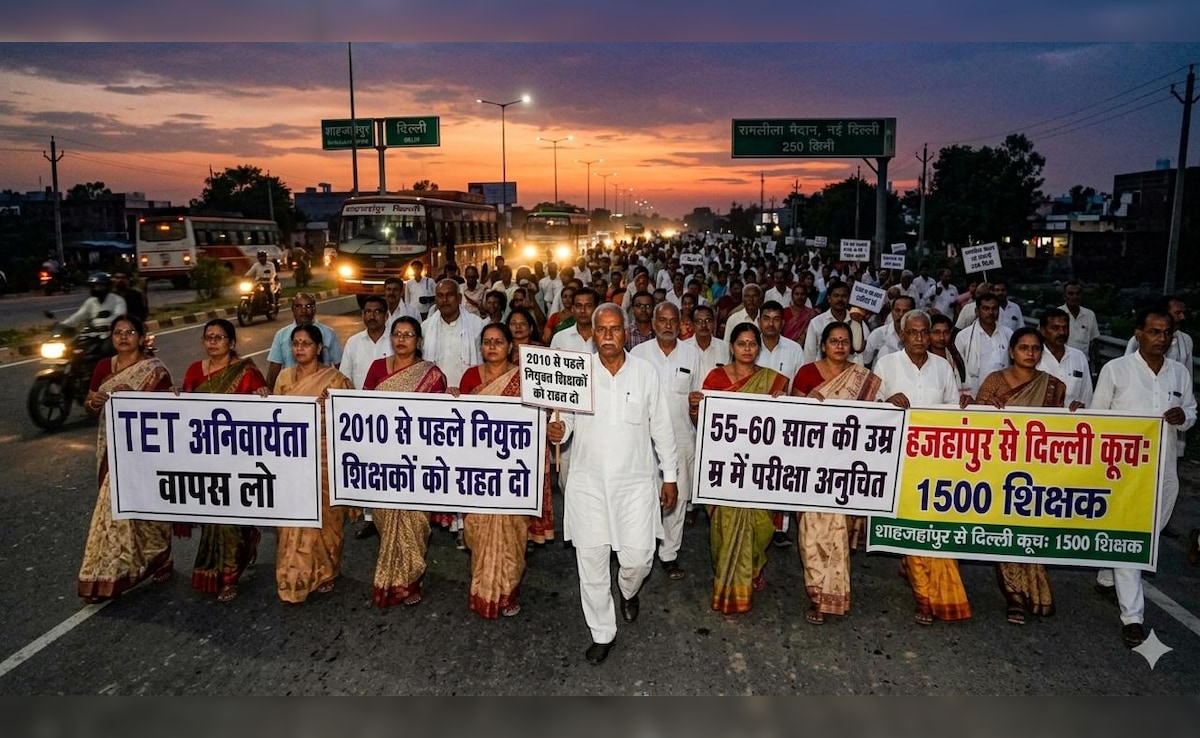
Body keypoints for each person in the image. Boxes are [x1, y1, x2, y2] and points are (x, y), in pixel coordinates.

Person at [546, 303, 678, 665]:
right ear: (593, 331)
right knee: (591, 563)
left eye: (614, 329)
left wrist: (670, 476)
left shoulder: (646, 373)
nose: (607, 336)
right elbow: (567, 421)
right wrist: (558, 430)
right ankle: (602, 632)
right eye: (601, 329)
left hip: (635, 485)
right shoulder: (578, 372)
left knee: (638, 558)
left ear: (626, 331)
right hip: (587, 484)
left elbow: (662, 428)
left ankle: (628, 590)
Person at [1092, 307, 1196, 647]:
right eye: (1154, 332)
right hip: (1124, 472)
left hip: (1164, 467)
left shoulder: (1179, 373)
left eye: (1166, 333)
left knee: (1156, 525)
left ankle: (1108, 576)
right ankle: (1132, 617)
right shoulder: (1116, 370)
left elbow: (1191, 411)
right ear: (1138, 334)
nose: (1161, 339)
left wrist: (1183, 417)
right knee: (1132, 536)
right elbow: (1097, 419)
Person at [874, 310, 972, 626]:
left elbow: (952, 413)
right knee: (910, 523)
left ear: (931, 335)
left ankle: (928, 586)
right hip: (899, 458)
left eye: (924, 333)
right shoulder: (887, 365)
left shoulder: (944, 368)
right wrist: (888, 401)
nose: (919, 338)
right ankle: (924, 596)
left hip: (934, 459)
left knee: (932, 523)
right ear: (902, 335)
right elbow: (870, 407)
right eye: (912, 332)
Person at [77, 314, 174, 603]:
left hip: (143, 451)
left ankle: (156, 555)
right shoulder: (103, 367)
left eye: (130, 332)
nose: (123, 337)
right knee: (116, 510)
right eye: (118, 332)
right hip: (111, 447)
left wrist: (135, 397)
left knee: (143, 507)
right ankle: (110, 573)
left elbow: (168, 410)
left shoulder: (155, 370)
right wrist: (92, 402)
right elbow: (90, 403)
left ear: (141, 338)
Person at [789, 322, 882, 625]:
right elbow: (792, 419)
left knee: (838, 533)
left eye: (844, 341)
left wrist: (891, 404)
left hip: (847, 467)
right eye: (833, 341)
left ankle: (834, 595)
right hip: (812, 465)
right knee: (812, 534)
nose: (840, 346)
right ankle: (817, 594)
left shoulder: (863, 377)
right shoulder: (806, 374)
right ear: (823, 344)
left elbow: (874, 419)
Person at [973, 327, 1065, 625]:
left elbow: (1060, 430)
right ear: (1011, 351)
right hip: (999, 468)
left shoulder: (1053, 386)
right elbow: (976, 419)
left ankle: (1034, 591)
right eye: (1023, 347)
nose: (1030, 352)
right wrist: (984, 407)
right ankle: (1014, 597)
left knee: (1030, 529)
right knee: (1007, 529)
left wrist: (1075, 413)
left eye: (1036, 348)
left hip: (1037, 470)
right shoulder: (995, 381)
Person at [458, 323, 547, 618]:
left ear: (511, 346)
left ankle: (507, 592)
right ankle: (482, 590)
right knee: (477, 531)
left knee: (512, 533)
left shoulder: (525, 379)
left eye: (498, 341)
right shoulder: (471, 377)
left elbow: (536, 419)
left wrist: (553, 426)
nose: (492, 347)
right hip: (479, 471)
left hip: (512, 474)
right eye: (486, 342)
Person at [701, 322, 789, 614]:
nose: (747, 349)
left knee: (761, 526)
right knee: (723, 527)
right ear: (732, 347)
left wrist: (782, 405)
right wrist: (695, 407)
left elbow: (786, 425)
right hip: (725, 466)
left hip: (760, 467)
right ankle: (726, 574)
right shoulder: (715, 378)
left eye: (752, 344)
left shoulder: (772, 382)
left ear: (759, 348)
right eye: (742, 344)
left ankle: (754, 566)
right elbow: (705, 420)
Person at [181, 319, 269, 602]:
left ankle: (230, 578)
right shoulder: (195, 370)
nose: (213, 342)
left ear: (232, 343)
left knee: (231, 519)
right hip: (205, 456)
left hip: (238, 458)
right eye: (209, 337)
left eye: (219, 337)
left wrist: (263, 397)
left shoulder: (246, 372)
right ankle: (217, 567)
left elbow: (262, 415)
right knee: (212, 519)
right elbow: (183, 409)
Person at [363, 316, 449, 607]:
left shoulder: (432, 375)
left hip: (417, 461)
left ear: (419, 341)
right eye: (397, 334)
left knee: (414, 520)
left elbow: (437, 422)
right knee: (385, 518)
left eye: (408, 334)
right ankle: (388, 577)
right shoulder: (377, 368)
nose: (401, 339)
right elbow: (362, 408)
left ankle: (410, 580)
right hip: (382, 459)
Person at [268, 324, 354, 603]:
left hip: (325, 459)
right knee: (292, 521)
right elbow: (272, 418)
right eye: (296, 343)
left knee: (326, 518)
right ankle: (292, 577)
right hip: (292, 459)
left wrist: (329, 407)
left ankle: (326, 570)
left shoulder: (336, 381)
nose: (300, 348)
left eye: (306, 343)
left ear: (319, 348)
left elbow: (348, 424)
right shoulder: (283, 378)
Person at [631, 302, 702, 581]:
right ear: (654, 321)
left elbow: (696, 395)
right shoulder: (638, 354)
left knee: (678, 498)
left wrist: (697, 405)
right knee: (645, 497)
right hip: (643, 439)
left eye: (673, 320)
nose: (668, 325)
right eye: (662, 320)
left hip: (682, 437)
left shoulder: (691, 354)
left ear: (680, 323)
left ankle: (669, 553)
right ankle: (643, 548)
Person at [339, 295, 393, 541]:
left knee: (390, 466)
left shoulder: (395, 341)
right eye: (367, 311)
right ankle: (370, 518)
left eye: (377, 311)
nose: (372, 315)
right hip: (361, 416)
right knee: (368, 468)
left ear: (386, 315)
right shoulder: (353, 342)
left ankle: (391, 515)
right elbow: (345, 378)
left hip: (392, 415)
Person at [266, 293, 343, 388]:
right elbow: (273, 371)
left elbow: (340, 366)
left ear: (314, 309)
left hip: (321, 391)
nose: (303, 310)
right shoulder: (281, 335)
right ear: (292, 310)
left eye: (308, 306)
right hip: (290, 391)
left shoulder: (328, 333)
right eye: (298, 306)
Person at [955, 292, 1010, 397]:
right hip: (972, 396)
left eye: (994, 308)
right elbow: (957, 370)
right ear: (977, 311)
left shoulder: (1008, 335)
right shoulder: (963, 336)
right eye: (986, 308)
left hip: (1002, 396)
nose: (990, 312)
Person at [1037, 308, 1093, 410]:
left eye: (1065, 328)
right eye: (1055, 328)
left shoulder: (1079, 357)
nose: (1062, 332)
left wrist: (1082, 407)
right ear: (1043, 331)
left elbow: (1087, 395)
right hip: (1040, 421)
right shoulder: (1034, 357)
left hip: (1072, 421)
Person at [803, 281, 867, 365]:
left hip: (851, 372)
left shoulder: (857, 321)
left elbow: (861, 352)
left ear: (849, 299)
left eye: (844, 296)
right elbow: (809, 353)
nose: (840, 299)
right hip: (825, 372)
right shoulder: (817, 322)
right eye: (836, 295)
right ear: (829, 299)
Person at [60, 272, 127, 331]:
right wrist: (63, 325)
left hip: (111, 334)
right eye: (94, 286)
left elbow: (119, 317)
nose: (97, 289)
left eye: (100, 286)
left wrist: (104, 324)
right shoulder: (90, 301)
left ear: (107, 286)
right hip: (93, 334)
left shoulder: (117, 300)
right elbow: (79, 315)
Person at [683, 304, 729, 381]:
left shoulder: (725, 348)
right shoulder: (683, 349)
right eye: (699, 321)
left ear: (714, 323)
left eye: (708, 321)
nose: (704, 325)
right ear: (692, 325)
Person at [1060, 281, 1100, 357]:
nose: (1075, 297)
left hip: (1083, 364)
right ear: (1064, 296)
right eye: (1071, 294)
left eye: (1078, 294)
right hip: (1062, 362)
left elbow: (1094, 342)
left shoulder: (1089, 315)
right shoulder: (1055, 314)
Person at [928, 313, 967, 390]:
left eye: (946, 332)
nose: (942, 337)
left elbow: (965, 385)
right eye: (936, 332)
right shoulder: (922, 358)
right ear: (928, 333)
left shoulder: (956, 357)